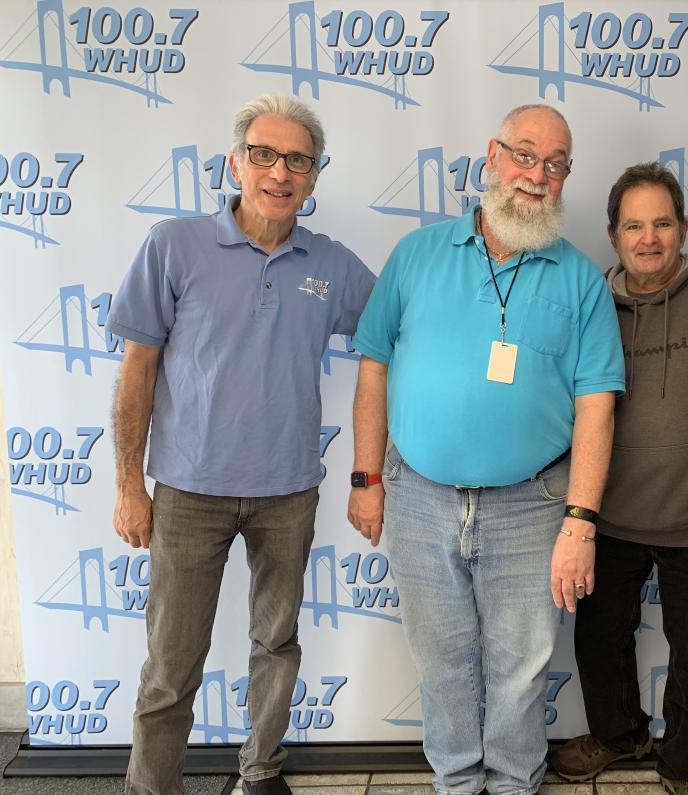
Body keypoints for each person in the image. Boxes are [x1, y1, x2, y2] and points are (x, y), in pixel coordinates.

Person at [347, 104, 625, 795]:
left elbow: (597, 406)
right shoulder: (416, 255)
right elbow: (373, 365)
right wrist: (365, 475)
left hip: (532, 506)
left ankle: (511, 781)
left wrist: (581, 520)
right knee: (441, 662)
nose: (537, 175)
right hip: (417, 497)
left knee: (522, 667)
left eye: (556, 164)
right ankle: (455, 780)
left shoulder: (581, 279)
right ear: (491, 158)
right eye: (525, 155)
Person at [107, 95, 376, 795]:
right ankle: (150, 786)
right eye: (263, 153)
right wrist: (130, 485)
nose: (279, 171)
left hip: (288, 491)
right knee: (171, 661)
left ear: (314, 177)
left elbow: (400, 332)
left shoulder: (333, 265)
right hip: (188, 491)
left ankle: (259, 774)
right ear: (235, 161)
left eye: (297, 160)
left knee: (275, 646)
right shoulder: (174, 245)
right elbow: (137, 370)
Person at [548, 163, 688, 795]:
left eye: (661, 223)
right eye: (633, 226)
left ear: (682, 228)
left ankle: (683, 761)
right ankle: (618, 734)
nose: (648, 238)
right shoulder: (586, 303)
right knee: (599, 640)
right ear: (612, 233)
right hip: (609, 515)